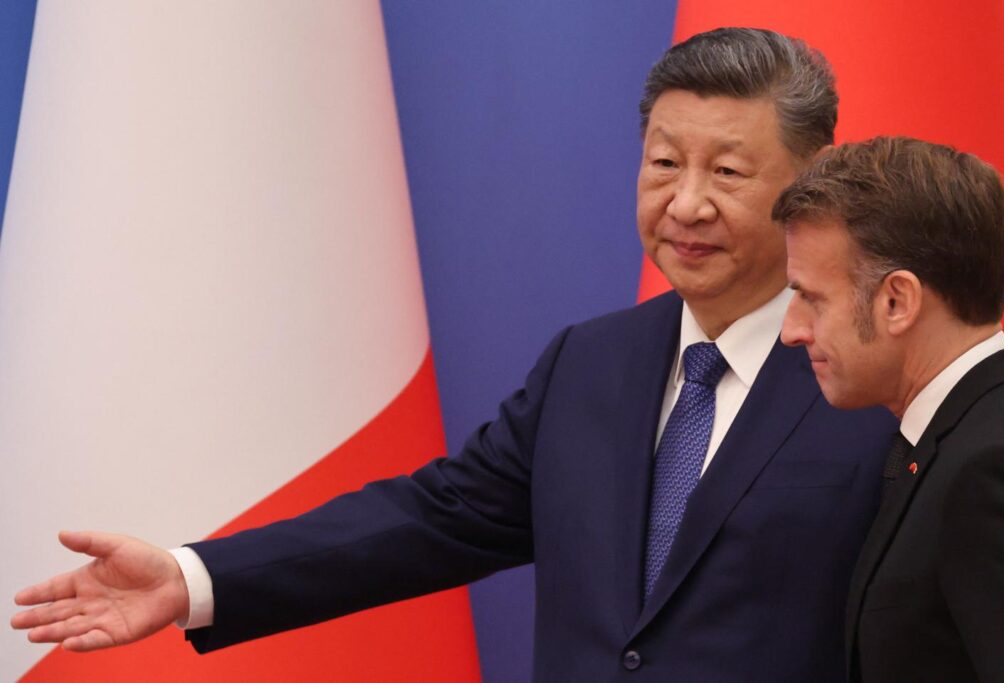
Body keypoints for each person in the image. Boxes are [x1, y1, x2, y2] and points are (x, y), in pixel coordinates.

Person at [12, 28, 896, 681]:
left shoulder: (880, 378)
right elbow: (434, 518)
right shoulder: (592, 364)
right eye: (664, 163)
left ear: (811, 181)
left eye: (728, 173)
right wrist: (192, 578)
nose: (686, 203)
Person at [775, 136, 1004, 683]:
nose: (791, 330)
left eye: (811, 298)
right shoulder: (964, 438)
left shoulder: (994, 467)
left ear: (897, 301)